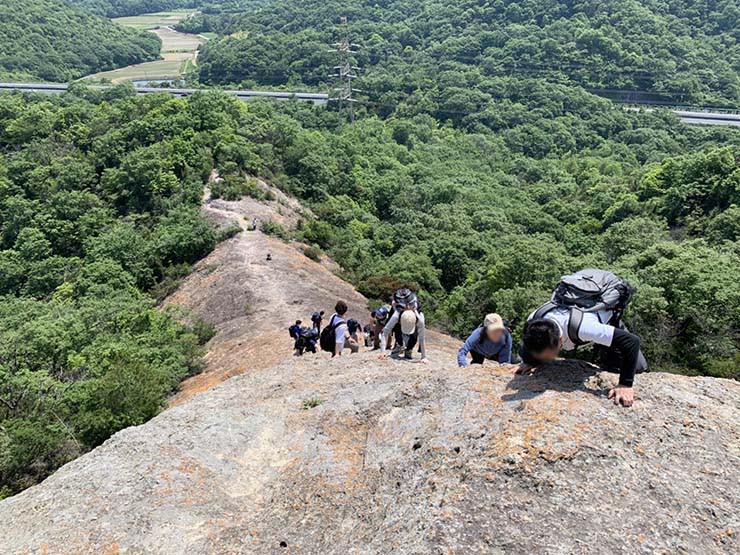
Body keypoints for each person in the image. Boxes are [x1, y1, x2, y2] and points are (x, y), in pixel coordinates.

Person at [514, 269, 648, 408]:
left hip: (603, 320)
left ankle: (606, 351)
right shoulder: (534, 319)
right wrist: (527, 361)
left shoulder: (584, 328)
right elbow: (530, 343)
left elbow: (632, 341)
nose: (548, 360)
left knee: (637, 367)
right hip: (585, 320)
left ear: (560, 340)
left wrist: (625, 384)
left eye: (550, 355)